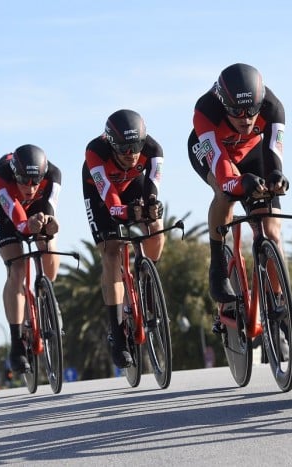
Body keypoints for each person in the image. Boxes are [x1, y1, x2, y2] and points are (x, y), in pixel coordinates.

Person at [187, 63, 288, 312]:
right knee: (226, 193)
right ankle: (218, 263)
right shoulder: (206, 110)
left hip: (252, 152)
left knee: (272, 231)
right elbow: (223, 172)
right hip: (213, 152)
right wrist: (239, 182)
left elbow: (274, 153)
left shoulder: (273, 107)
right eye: (236, 111)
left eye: (251, 110)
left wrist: (276, 177)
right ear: (223, 105)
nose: (246, 118)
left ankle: (278, 304)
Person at [82, 109, 165, 369]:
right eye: (123, 149)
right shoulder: (95, 151)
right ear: (111, 144)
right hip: (101, 195)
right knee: (111, 252)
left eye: (135, 148)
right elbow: (109, 199)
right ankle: (117, 334)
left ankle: (146, 280)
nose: (130, 155)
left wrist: (151, 207)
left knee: (156, 225)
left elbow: (152, 188)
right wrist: (125, 212)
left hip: (133, 187)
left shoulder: (153, 149)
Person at [0, 144, 62, 373]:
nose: (30, 187)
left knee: (48, 245)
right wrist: (26, 226)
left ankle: (47, 296)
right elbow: (17, 218)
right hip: (7, 210)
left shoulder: (54, 175)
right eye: (23, 180)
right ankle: (17, 340)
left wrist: (48, 224)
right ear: (14, 174)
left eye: (35, 181)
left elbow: (50, 209)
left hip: (37, 209)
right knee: (17, 268)